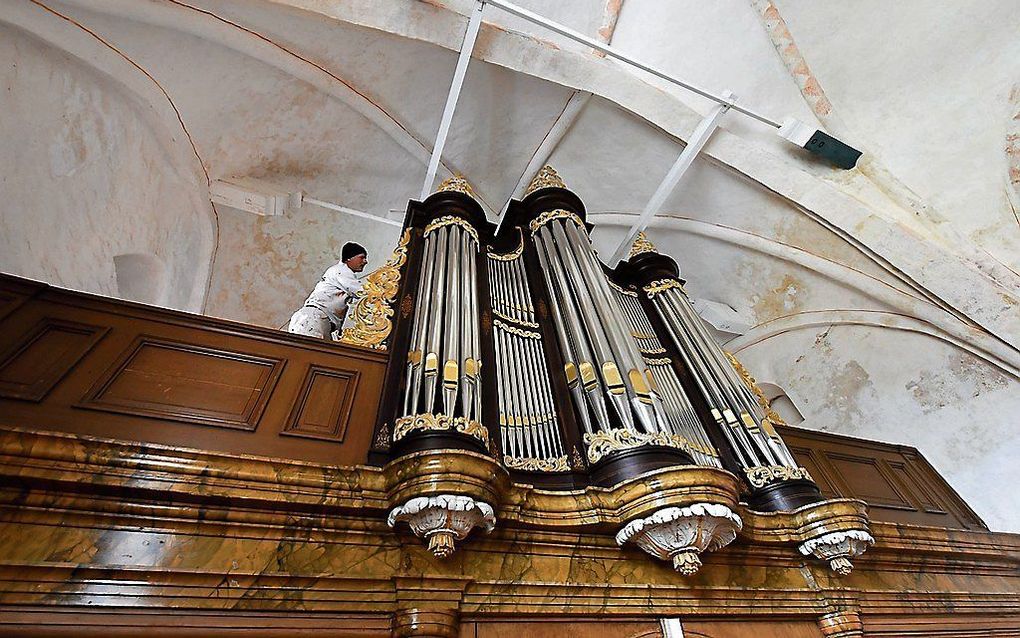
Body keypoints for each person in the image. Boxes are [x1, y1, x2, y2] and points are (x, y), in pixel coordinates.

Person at [287, 242, 368, 339]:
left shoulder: (338, 272)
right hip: (313, 319)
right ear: (349, 258)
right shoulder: (341, 270)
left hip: (313, 320)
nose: (365, 261)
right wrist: (383, 290)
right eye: (362, 257)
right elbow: (362, 291)